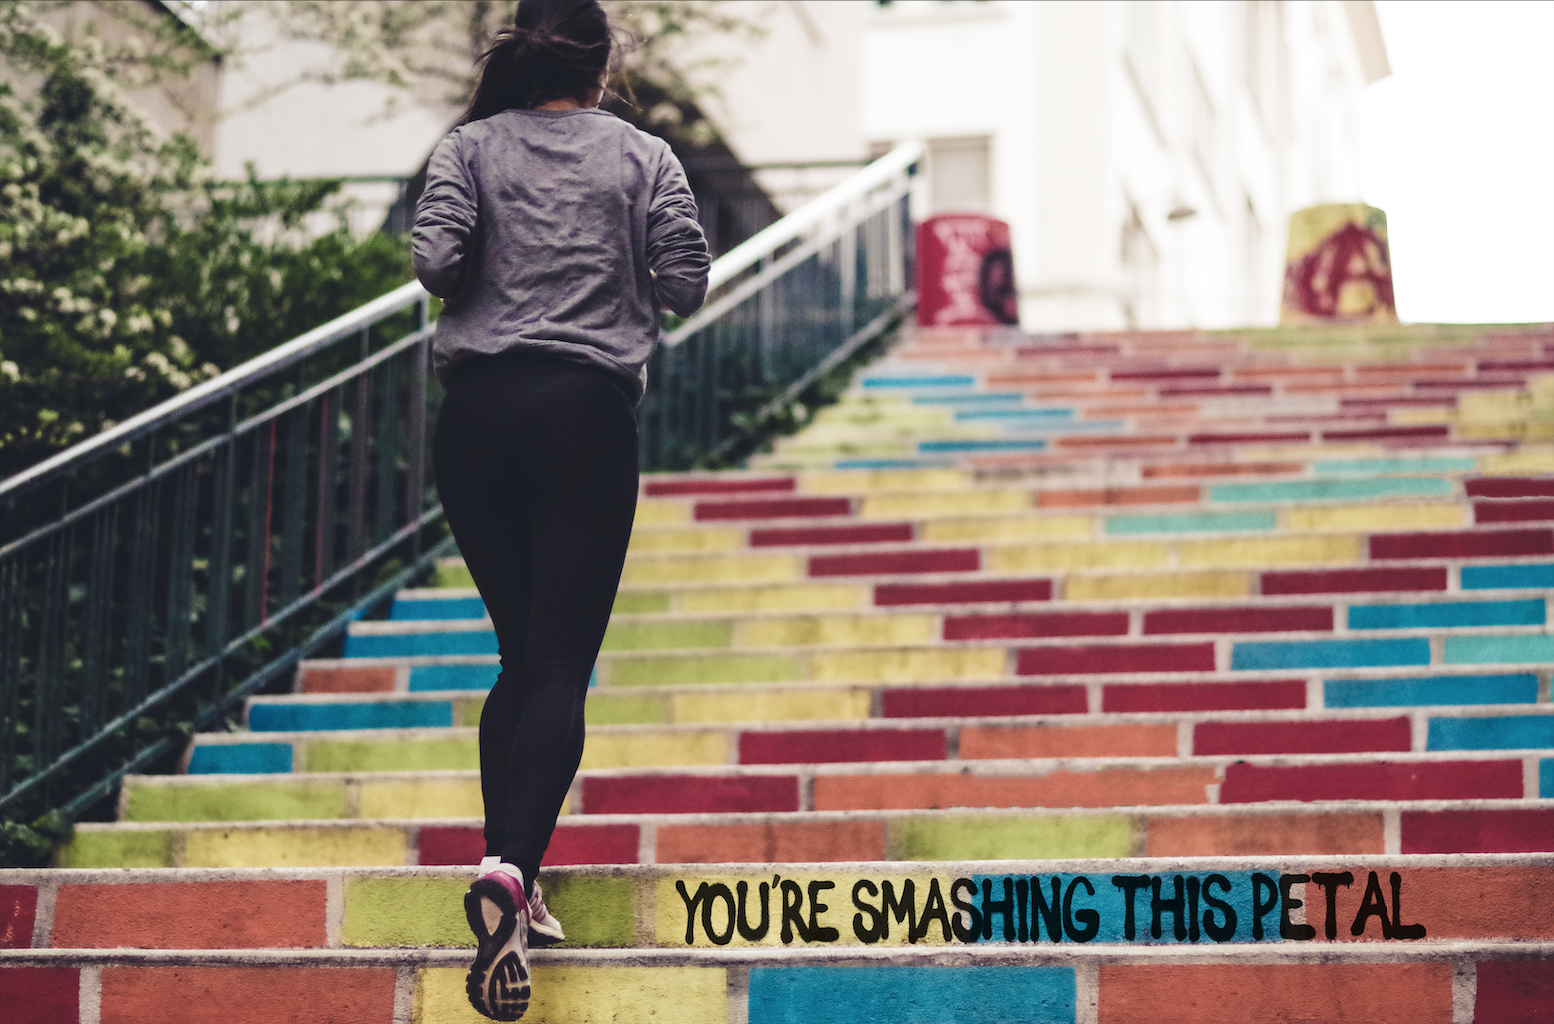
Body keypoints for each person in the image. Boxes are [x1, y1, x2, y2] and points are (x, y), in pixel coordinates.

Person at [412, 1, 710, 1018]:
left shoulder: (467, 148)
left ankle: (514, 870)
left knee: (518, 655)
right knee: (557, 665)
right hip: (583, 415)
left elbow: (436, 265)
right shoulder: (643, 157)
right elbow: (686, 283)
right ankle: (505, 870)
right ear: (602, 63)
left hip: (477, 417)